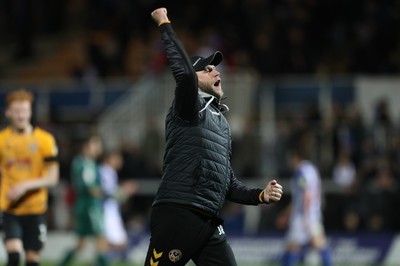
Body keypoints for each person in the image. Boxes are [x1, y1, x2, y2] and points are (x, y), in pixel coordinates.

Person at [144, 8, 284, 266]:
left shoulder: (220, 122)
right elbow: (184, 74)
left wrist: (259, 195)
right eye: (208, 69)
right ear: (194, 78)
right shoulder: (188, 107)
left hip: (208, 219)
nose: (217, 71)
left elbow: (227, 183)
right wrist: (164, 24)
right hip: (179, 211)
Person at [0, 89, 59, 266]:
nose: (21, 116)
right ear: (8, 112)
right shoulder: (2, 141)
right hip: (11, 208)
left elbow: (53, 178)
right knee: (14, 256)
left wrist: (25, 186)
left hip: (36, 209)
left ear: (31, 111)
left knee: (32, 260)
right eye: (16, 111)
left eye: (24, 110)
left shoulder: (45, 140)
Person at [58, 134, 108, 266]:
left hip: (82, 205)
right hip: (90, 206)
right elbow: (90, 188)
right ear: (86, 146)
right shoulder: (85, 164)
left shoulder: (82, 162)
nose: (98, 147)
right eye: (95, 144)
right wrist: (111, 194)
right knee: (101, 239)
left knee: (81, 244)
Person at [281, 138, 332, 266]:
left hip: (303, 215)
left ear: (295, 157)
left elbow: (306, 195)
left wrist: (305, 216)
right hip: (312, 213)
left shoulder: (301, 172)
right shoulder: (312, 169)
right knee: (318, 243)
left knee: (293, 246)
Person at [99, 150, 137, 262]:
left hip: (112, 211)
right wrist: (124, 190)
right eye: (117, 158)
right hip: (105, 211)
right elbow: (106, 193)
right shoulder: (103, 171)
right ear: (110, 158)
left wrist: (123, 193)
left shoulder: (111, 172)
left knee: (118, 243)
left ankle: (105, 261)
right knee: (112, 243)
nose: (120, 162)